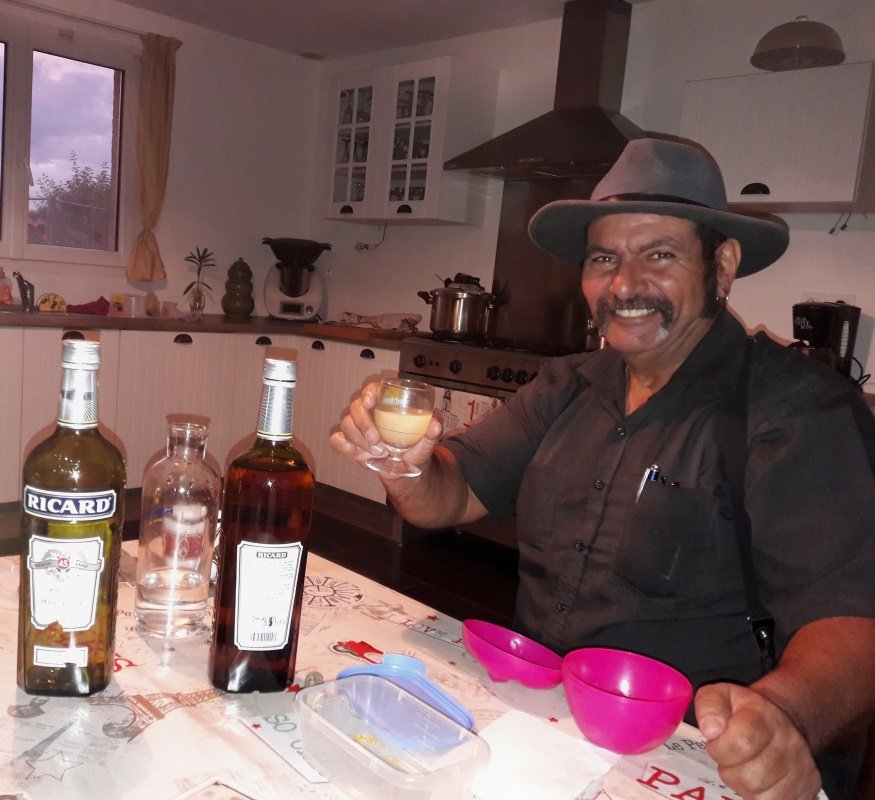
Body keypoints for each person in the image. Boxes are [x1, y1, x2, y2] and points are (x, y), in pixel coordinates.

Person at [331, 137, 875, 800]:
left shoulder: (798, 410)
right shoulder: (566, 385)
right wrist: (404, 466)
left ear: (722, 265)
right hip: (544, 728)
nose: (623, 285)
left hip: (694, 753)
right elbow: (453, 493)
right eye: (603, 258)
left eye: (658, 254)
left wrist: (782, 714)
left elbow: (852, 617)